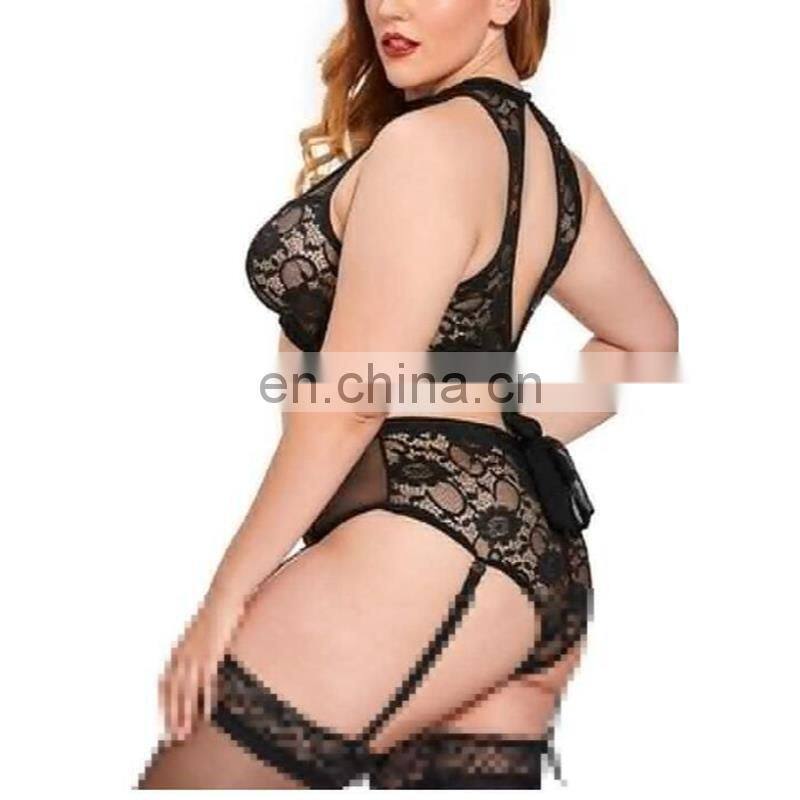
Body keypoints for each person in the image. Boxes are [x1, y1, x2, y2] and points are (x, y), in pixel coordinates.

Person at [136, 0, 678, 790]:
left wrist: (225, 596)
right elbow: (648, 342)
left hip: (422, 546)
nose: (389, 6)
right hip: (536, 576)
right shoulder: (559, 171)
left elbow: (352, 404)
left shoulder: (425, 146)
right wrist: (505, 432)